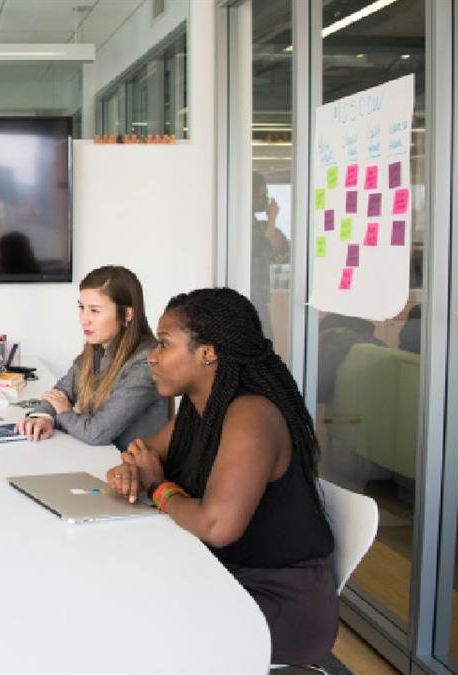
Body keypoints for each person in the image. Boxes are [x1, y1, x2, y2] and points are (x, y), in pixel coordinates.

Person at [108, 287, 337, 664]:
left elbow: (217, 526)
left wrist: (156, 485)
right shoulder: (200, 409)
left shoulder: (251, 415)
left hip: (274, 603)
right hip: (221, 573)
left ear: (208, 353)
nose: (152, 357)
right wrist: (130, 470)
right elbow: (141, 453)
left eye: (164, 344)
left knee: (133, 629)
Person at [15, 265, 167, 448]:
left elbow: (96, 432)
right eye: (82, 308)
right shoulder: (96, 348)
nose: (84, 319)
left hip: (131, 470)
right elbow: (61, 391)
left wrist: (63, 413)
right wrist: (42, 417)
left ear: (127, 314)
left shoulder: (145, 363)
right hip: (104, 461)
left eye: (95, 310)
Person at [252, 171, 290, 338]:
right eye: (262, 195)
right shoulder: (242, 224)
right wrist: (273, 217)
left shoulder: (261, 226)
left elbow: (282, 252)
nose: (267, 200)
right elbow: (262, 248)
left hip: (258, 297)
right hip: (252, 297)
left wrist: (271, 223)